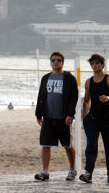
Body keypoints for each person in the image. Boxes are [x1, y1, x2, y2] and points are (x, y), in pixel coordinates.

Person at [35, 51, 78, 181]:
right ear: (50, 62)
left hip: (63, 118)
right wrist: (38, 113)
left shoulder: (69, 78)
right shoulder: (46, 78)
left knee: (67, 144)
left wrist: (70, 114)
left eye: (58, 60)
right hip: (48, 117)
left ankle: (72, 169)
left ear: (63, 62)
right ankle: (45, 171)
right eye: (53, 60)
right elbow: (41, 96)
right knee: (45, 144)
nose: (56, 62)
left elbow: (73, 97)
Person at [79, 54, 109, 184]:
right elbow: (86, 100)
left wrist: (108, 98)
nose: (94, 65)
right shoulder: (88, 82)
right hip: (92, 118)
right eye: (92, 63)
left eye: (97, 62)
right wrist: (84, 115)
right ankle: (88, 173)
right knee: (91, 146)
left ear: (102, 64)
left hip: (106, 117)